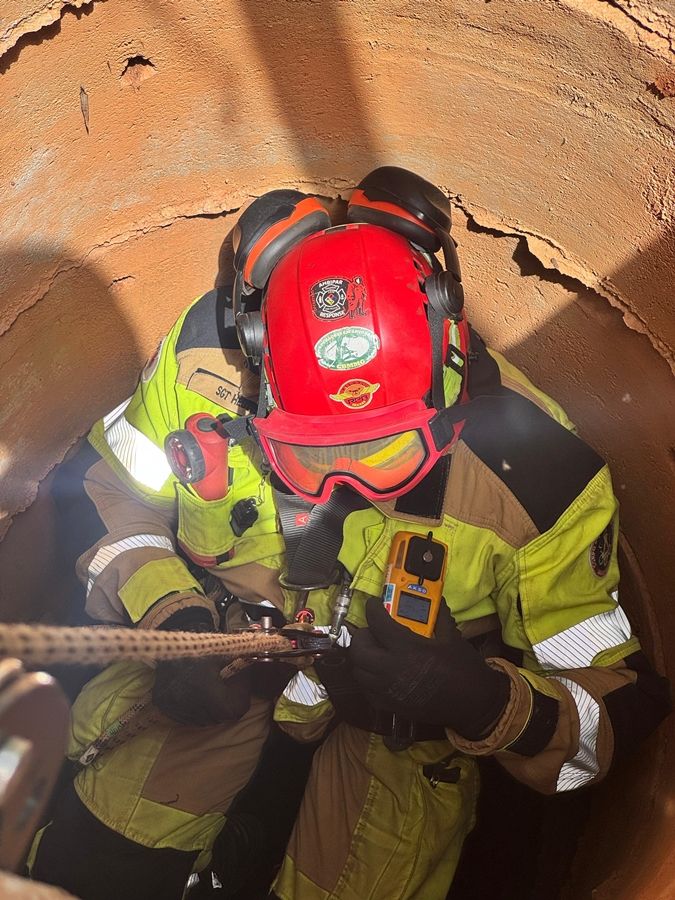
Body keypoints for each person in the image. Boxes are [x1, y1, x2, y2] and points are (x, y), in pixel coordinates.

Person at [31, 167, 670, 900]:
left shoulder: (539, 477)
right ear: (258, 368)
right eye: (312, 454)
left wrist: (478, 701)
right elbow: (110, 496)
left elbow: (611, 705)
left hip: (402, 723)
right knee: (100, 862)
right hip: (230, 653)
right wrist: (170, 615)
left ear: (447, 375)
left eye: (383, 454)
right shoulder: (200, 369)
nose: (345, 486)